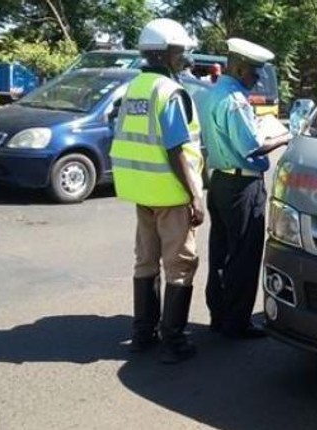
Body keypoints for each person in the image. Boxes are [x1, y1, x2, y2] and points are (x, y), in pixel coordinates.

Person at [109, 18, 205, 364]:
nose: (184, 57)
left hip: (142, 190)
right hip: (171, 193)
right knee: (180, 265)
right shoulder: (169, 93)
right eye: (181, 51)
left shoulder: (134, 87)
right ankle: (173, 341)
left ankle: (142, 334)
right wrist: (194, 194)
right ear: (167, 54)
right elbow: (175, 148)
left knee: (145, 261)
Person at [199, 38, 290, 339]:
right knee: (243, 255)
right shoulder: (235, 100)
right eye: (254, 71)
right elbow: (251, 148)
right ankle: (236, 322)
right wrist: (284, 138)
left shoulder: (215, 93)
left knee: (222, 252)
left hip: (221, 181)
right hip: (241, 184)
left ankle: (220, 314)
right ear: (238, 67)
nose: (258, 78)